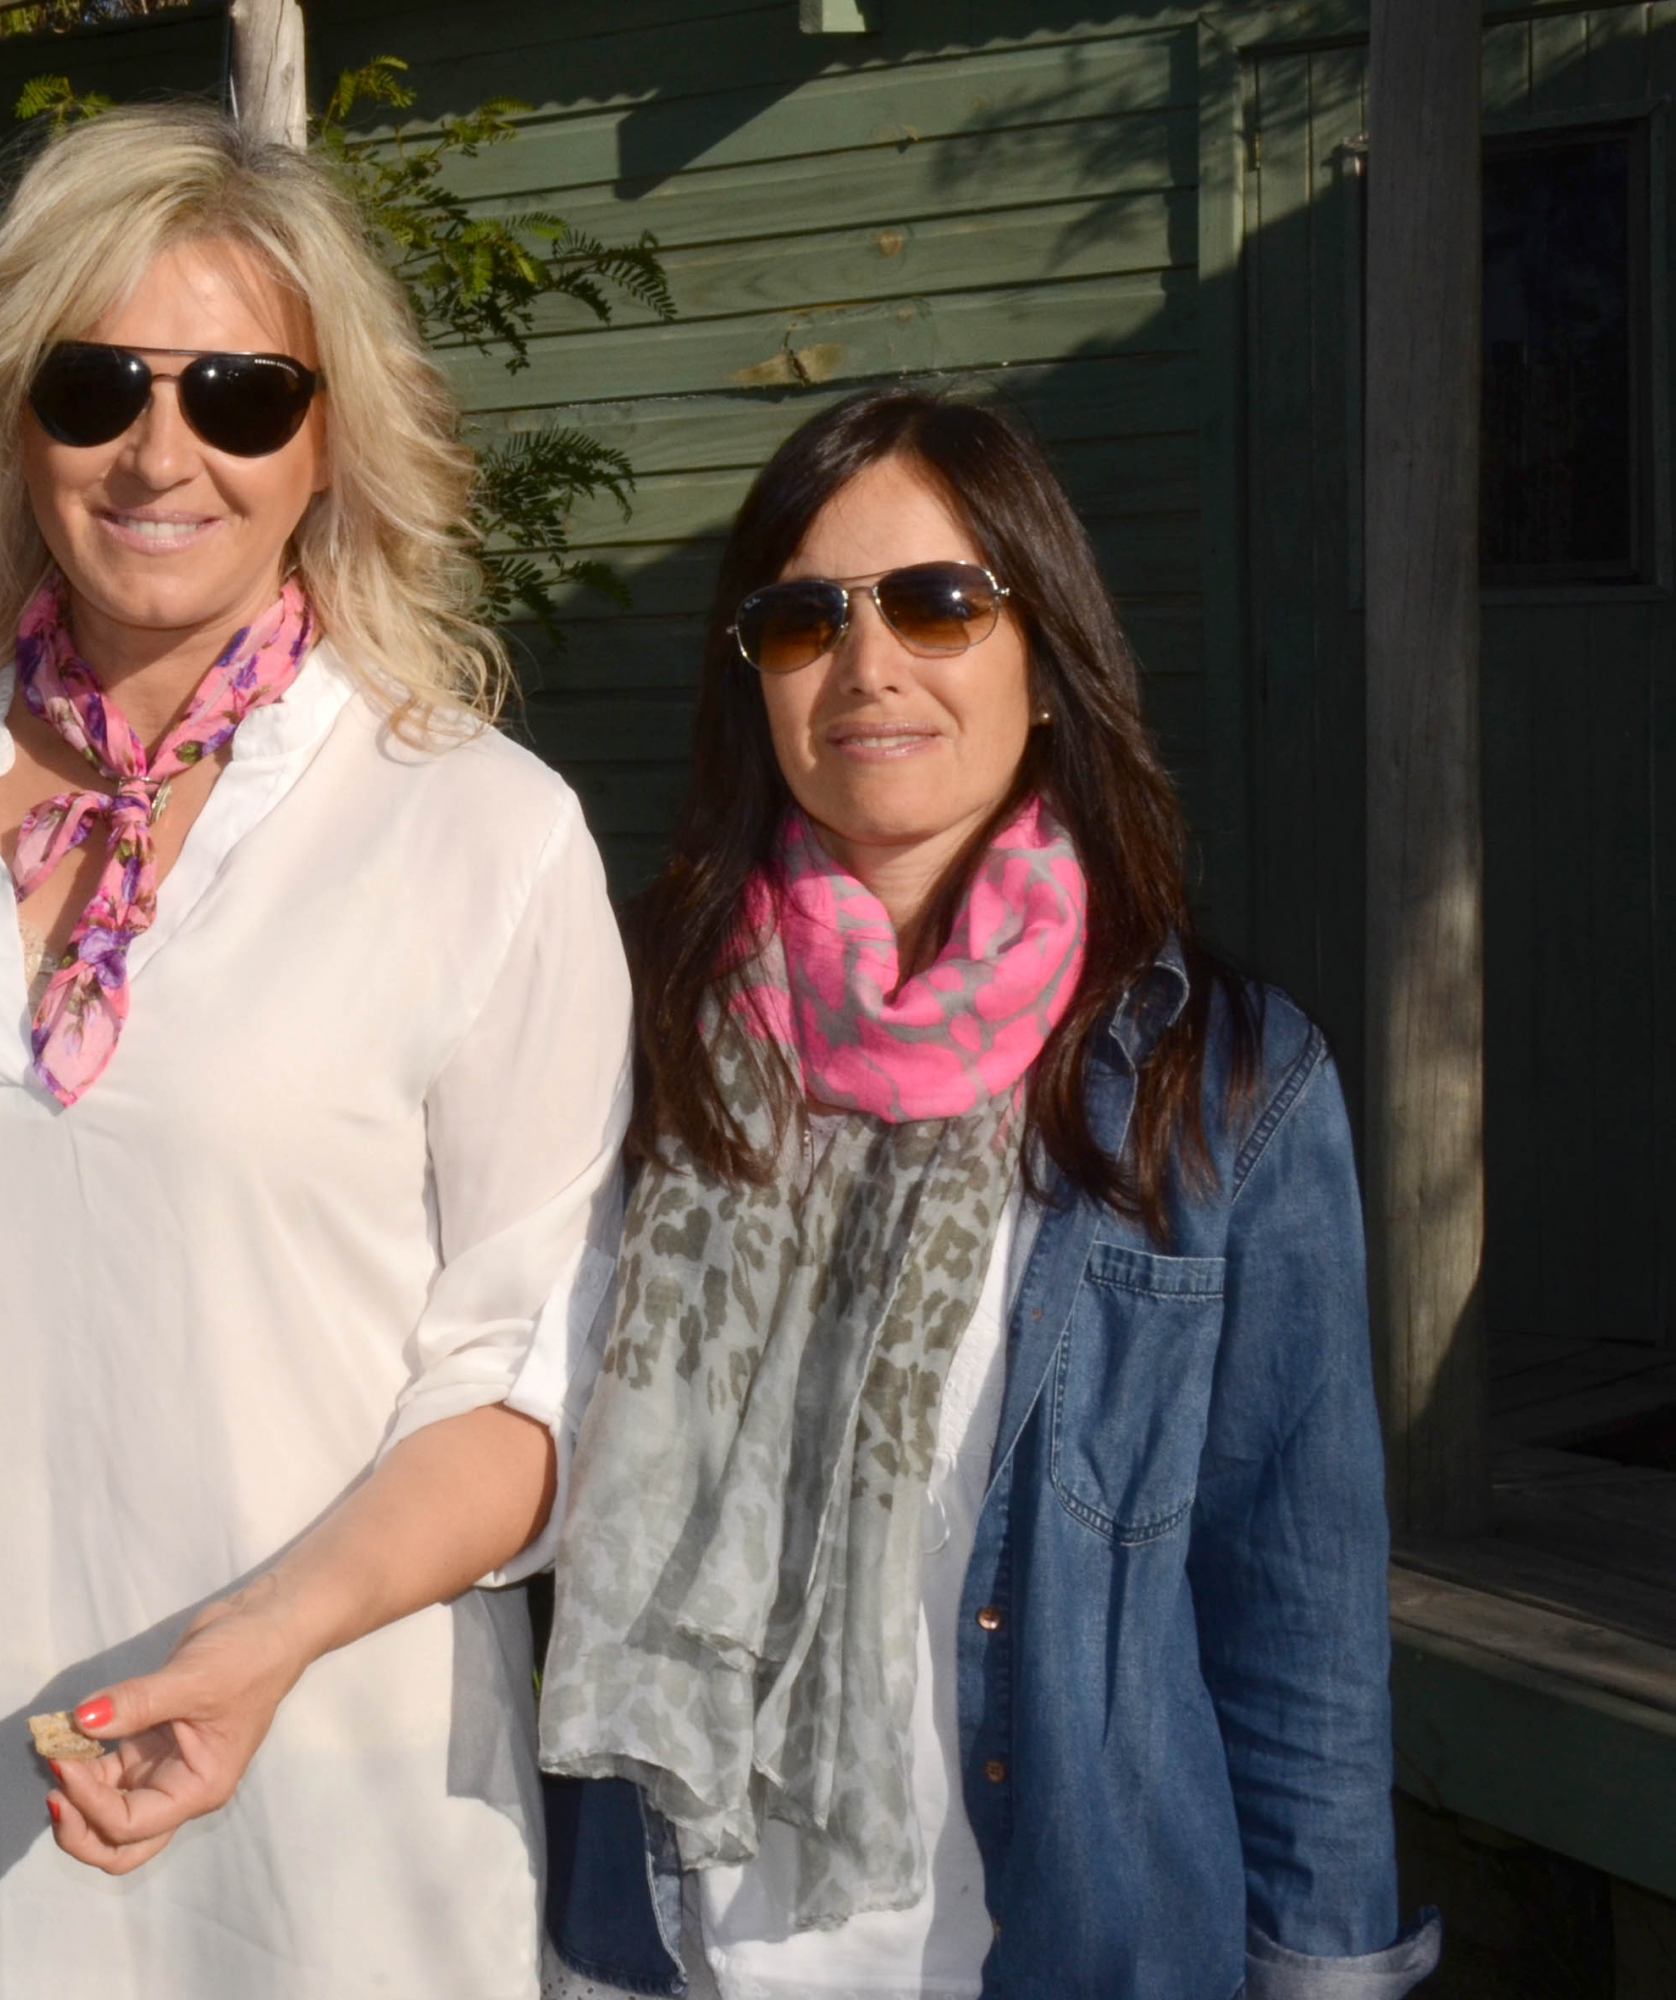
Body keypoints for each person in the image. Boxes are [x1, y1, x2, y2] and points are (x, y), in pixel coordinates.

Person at [0, 104, 632, 1997]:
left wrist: (260, 1641)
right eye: (97, 387)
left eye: (238, 394)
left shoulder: (482, 830)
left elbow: (530, 1389)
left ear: (329, 439)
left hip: (331, 1856)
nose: (162, 452)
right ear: (14, 421)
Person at [533, 389, 1440, 2000]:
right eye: (805, 619)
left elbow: (1294, 1602)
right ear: (754, 680)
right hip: (677, 1947)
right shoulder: (623, 1030)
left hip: (1072, 1949)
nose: (869, 665)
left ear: (1048, 651)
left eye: (938, 603)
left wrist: (1326, 1971)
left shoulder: (1221, 1085)